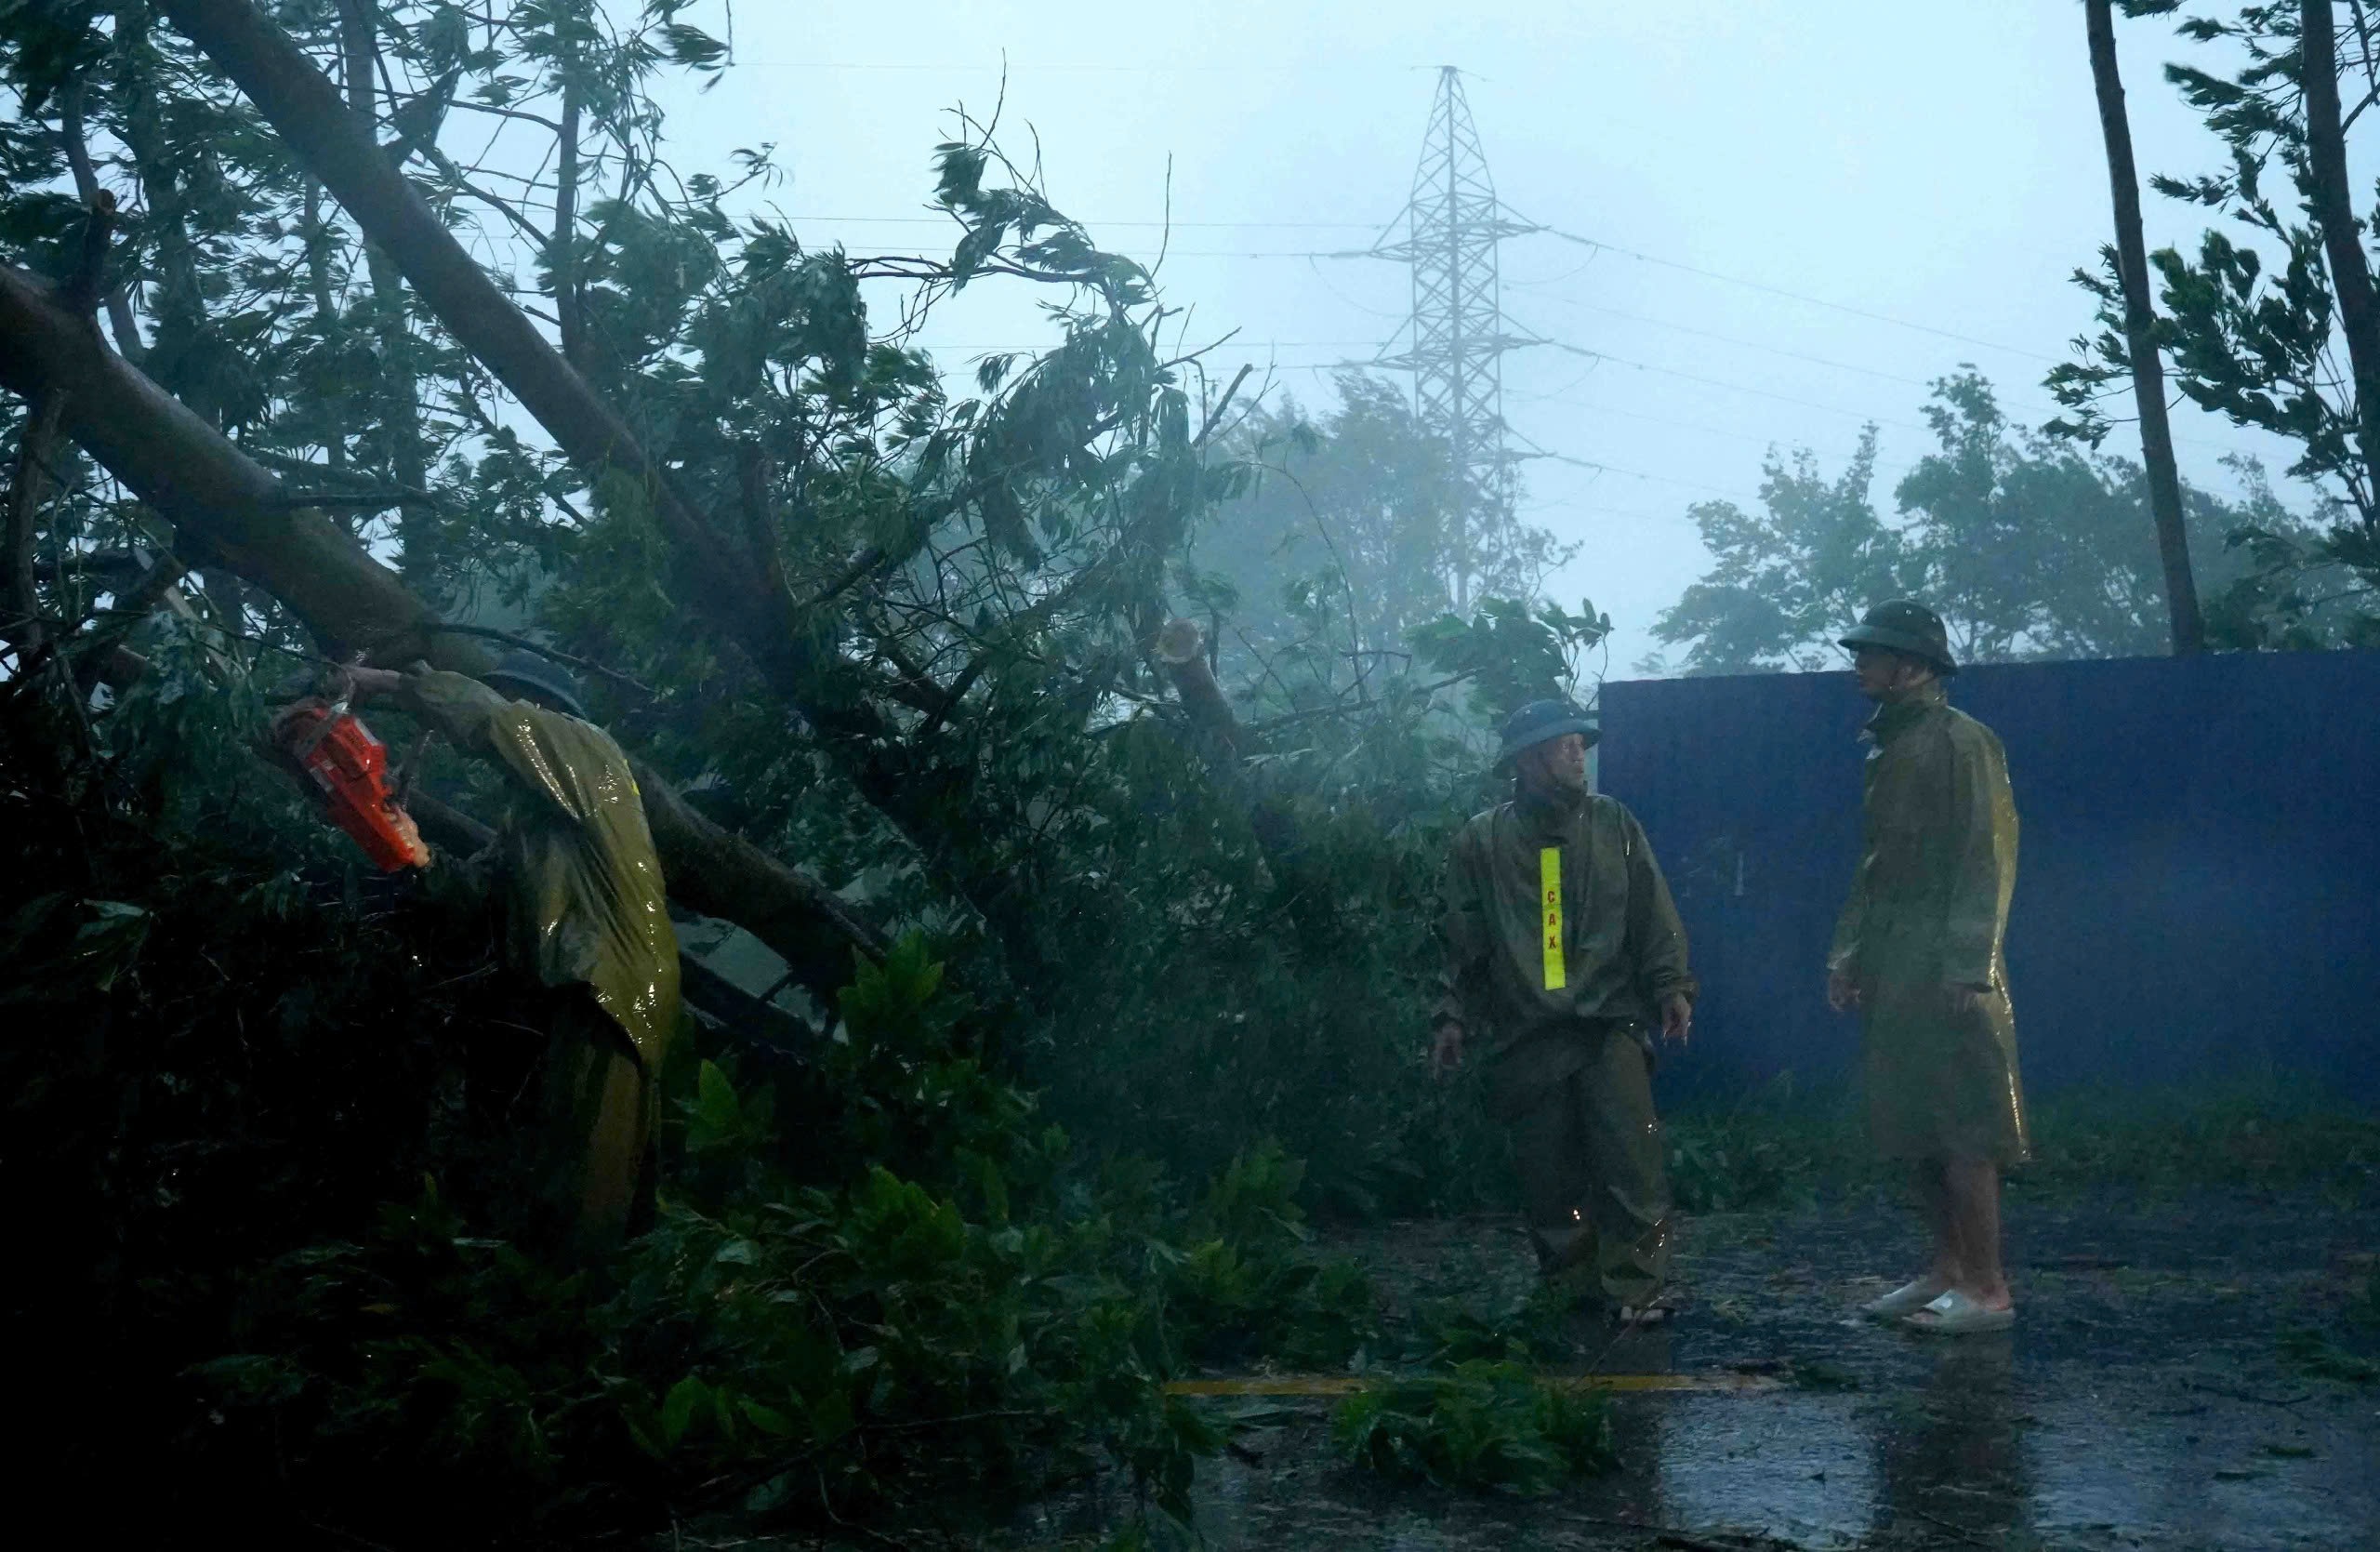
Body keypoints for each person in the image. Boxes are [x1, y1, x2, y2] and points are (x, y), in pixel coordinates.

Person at [315, 651, 681, 1252]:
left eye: (523, 702)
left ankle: (561, 1323)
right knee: (599, 1183)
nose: (516, 714)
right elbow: (476, 894)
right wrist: (410, 847)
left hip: (613, 993)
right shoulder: (532, 821)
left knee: (581, 1203)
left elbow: (490, 719)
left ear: (550, 713)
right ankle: (594, 1320)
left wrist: (385, 682)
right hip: (590, 996)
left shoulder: (588, 751)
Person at [1432, 698, 1697, 1322]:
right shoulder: (1482, 840)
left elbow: (1651, 911)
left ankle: (1637, 1286)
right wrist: (1450, 1015)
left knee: (1633, 1163)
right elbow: (1457, 938)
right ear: (1525, 761)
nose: (1578, 751)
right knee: (1549, 1177)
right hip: (1528, 1032)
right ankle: (1569, 1285)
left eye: (1580, 741)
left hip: (1609, 1025)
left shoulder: (1613, 825)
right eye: (1561, 744)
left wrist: (1672, 985)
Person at [1826, 601, 2026, 1335]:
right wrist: (1850, 955)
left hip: (1950, 963)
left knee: (1965, 1123)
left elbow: (1987, 852)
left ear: (1911, 665)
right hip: (1897, 961)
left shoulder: (1962, 741)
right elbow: (1876, 868)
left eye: (1872, 652)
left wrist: (1968, 962)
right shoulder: (1889, 747)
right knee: (1912, 1119)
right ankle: (1946, 1269)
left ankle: (1988, 1285)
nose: (1859, 663)